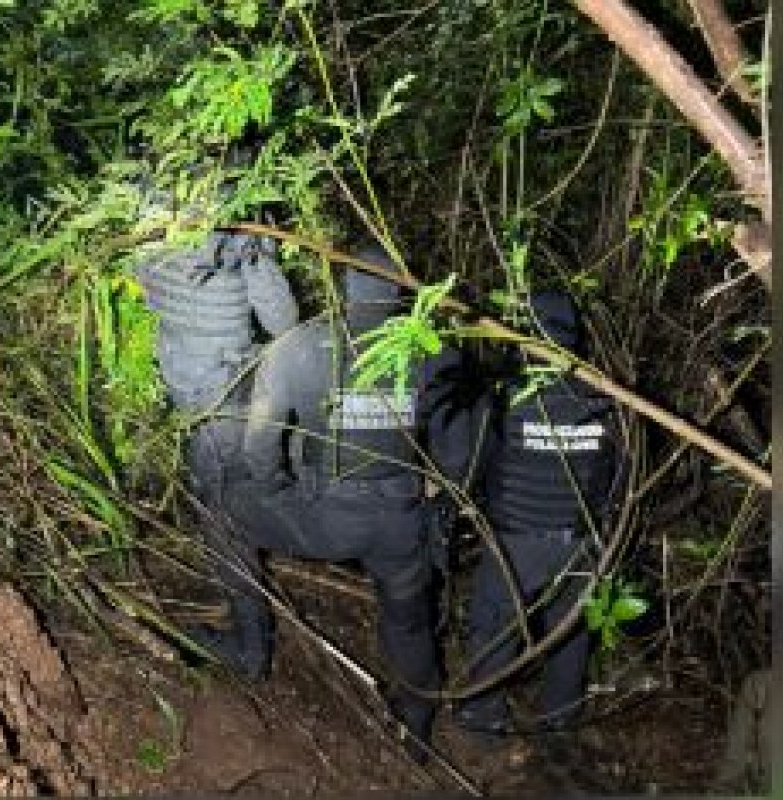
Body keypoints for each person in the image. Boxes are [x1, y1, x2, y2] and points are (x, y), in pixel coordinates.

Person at [187, 244, 478, 759]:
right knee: (408, 619)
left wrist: (278, 492)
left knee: (221, 515)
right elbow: (460, 453)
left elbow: (260, 449)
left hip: (322, 517)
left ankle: (250, 649)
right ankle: (416, 723)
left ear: (345, 286)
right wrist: (436, 502)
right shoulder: (436, 354)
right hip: (400, 521)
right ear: (400, 291)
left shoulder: (299, 347)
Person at [455, 290, 623, 740]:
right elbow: (619, 475)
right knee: (570, 632)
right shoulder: (604, 398)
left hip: (515, 542)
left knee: (495, 624)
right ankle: (558, 720)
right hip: (579, 542)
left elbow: (475, 462)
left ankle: (483, 718)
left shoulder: (505, 395)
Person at [132, 223, 298, 510]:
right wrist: (260, 254)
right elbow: (281, 320)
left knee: (204, 459)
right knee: (228, 479)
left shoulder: (150, 223)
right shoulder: (240, 234)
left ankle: (206, 512)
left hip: (175, 368)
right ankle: (226, 531)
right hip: (223, 380)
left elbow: (143, 282)